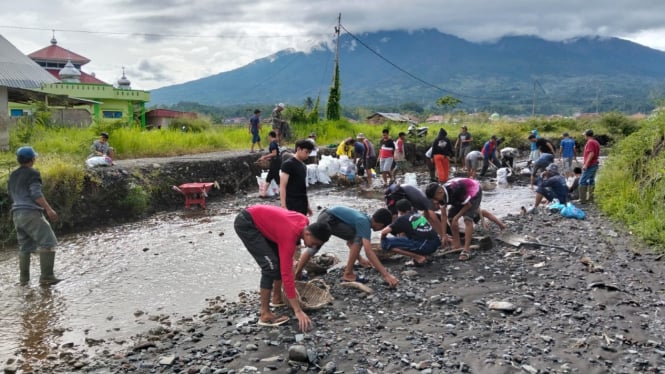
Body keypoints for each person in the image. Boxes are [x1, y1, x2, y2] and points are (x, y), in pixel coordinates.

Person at [233, 205, 331, 331]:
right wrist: (298, 310)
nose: (313, 247)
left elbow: (290, 252)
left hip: (263, 222)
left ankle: (277, 298)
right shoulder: (289, 235)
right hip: (247, 223)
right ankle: (265, 314)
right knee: (270, 267)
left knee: (278, 261)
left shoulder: (304, 222)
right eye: (314, 243)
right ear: (307, 233)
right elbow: (286, 274)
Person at [294, 206, 399, 288]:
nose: (382, 229)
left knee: (355, 237)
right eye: (383, 227)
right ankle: (348, 273)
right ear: (380, 224)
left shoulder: (364, 218)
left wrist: (360, 259)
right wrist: (386, 275)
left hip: (327, 215)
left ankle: (297, 274)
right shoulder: (364, 222)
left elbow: (350, 243)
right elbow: (369, 251)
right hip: (329, 219)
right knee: (315, 246)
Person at [8, 146, 61, 285]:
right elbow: (36, 193)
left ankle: (24, 281)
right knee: (48, 242)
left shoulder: (13, 175)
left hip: (17, 215)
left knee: (24, 247)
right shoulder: (33, 173)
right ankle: (47, 277)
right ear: (32, 159)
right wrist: (49, 209)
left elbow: (12, 194)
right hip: (30, 213)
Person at [425, 178, 483, 261]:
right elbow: (444, 216)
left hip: (474, 192)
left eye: (435, 198)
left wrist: (457, 217)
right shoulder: (441, 197)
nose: (435, 202)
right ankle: (457, 244)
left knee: (467, 219)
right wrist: (444, 235)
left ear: (440, 191)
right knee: (451, 217)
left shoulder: (455, 189)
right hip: (460, 198)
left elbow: (468, 205)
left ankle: (466, 250)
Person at [380, 199, 440, 266]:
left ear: (399, 211)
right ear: (411, 207)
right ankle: (423, 254)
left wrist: (382, 239)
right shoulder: (417, 214)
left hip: (425, 246)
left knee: (385, 243)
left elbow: (384, 232)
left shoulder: (403, 218)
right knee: (410, 237)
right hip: (436, 243)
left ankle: (419, 257)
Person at [280, 139, 314, 215]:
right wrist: (283, 205)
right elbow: (282, 186)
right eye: (306, 152)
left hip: (302, 202)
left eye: (309, 153)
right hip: (292, 203)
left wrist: (307, 205)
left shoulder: (303, 166)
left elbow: (303, 187)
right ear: (298, 149)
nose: (308, 155)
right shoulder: (288, 164)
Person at [579, 129, 600, 204]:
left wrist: (586, 164)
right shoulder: (595, 142)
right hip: (595, 164)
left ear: (586, 135)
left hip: (591, 165)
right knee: (591, 181)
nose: (584, 136)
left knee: (582, 181)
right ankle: (591, 199)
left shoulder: (590, 142)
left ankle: (582, 200)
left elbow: (591, 154)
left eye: (584, 135)